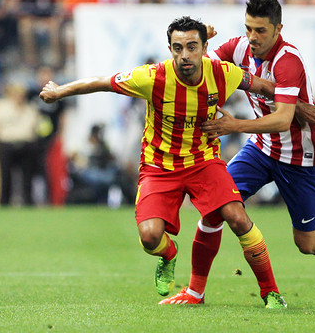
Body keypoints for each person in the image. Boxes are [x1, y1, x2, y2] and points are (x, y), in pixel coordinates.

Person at [40, 16, 290, 307]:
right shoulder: (152, 77)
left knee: (236, 217)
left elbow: (267, 88)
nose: (185, 55)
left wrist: (302, 105)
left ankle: (270, 292)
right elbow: (102, 82)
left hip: (203, 161)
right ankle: (168, 255)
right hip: (159, 167)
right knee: (149, 238)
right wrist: (60, 91)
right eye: (178, 48)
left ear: (204, 47)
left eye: (192, 47)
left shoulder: (223, 73)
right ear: (170, 49)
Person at [165, 0, 315, 306]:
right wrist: (202, 47)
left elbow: (283, 120)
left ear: (278, 30)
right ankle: (195, 291)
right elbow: (204, 72)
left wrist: (234, 125)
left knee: (306, 242)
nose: (252, 37)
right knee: (214, 210)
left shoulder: (288, 60)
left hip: (299, 156)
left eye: (261, 31)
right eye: (248, 28)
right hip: (260, 149)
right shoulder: (239, 48)